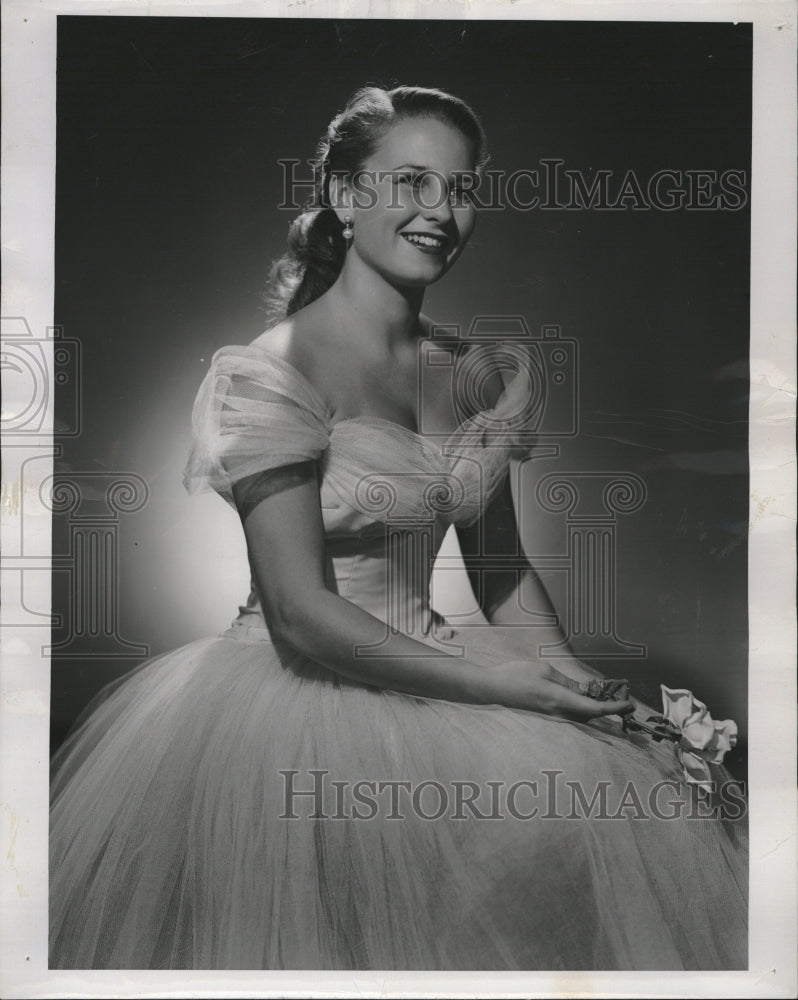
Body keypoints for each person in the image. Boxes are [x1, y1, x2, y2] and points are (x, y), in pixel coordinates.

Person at [49, 84, 747, 971]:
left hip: (441, 675)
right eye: (410, 182)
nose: (440, 212)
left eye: (459, 190)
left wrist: (578, 681)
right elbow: (302, 614)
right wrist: (508, 688)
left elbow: (497, 569)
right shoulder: (273, 373)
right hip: (295, 698)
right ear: (344, 195)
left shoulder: (477, 374)